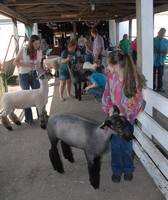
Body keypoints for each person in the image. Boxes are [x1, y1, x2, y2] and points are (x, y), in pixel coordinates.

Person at [102, 50, 145, 183]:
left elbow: (137, 101)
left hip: (127, 119)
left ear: (115, 65)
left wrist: (124, 113)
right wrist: (109, 108)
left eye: (109, 65)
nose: (108, 68)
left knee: (126, 143)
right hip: (115, 117)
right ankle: (116, 170)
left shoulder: (133, 79)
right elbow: (107, 93)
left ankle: (128, 169)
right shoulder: (111, 77)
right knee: (115, 144)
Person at [13, 34, 42, 125]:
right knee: (26, 98)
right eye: (36, 43)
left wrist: (43, 74)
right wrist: (27, 65)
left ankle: (41, 117)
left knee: (38, 95)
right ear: (31, 43)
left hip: (33, 75)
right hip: (23, 76)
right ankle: (29, 119)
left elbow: (38, 65)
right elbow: (15, 62)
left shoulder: (39, 51)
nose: (38, 45)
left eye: (39, 43)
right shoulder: (24, 50)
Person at [153, 28, 168, 93]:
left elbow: (166, 50)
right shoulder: (153, 40)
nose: (162, 34)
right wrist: (162, 51)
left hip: (161, 61)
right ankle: (152, 86)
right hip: (153, 61)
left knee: (160, 75)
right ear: (158, 32)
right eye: (161, 32)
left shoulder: (166, 40)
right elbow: (153, 50)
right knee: (152, 75)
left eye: (164, 33)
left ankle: (160, 87)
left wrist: (165, 53)